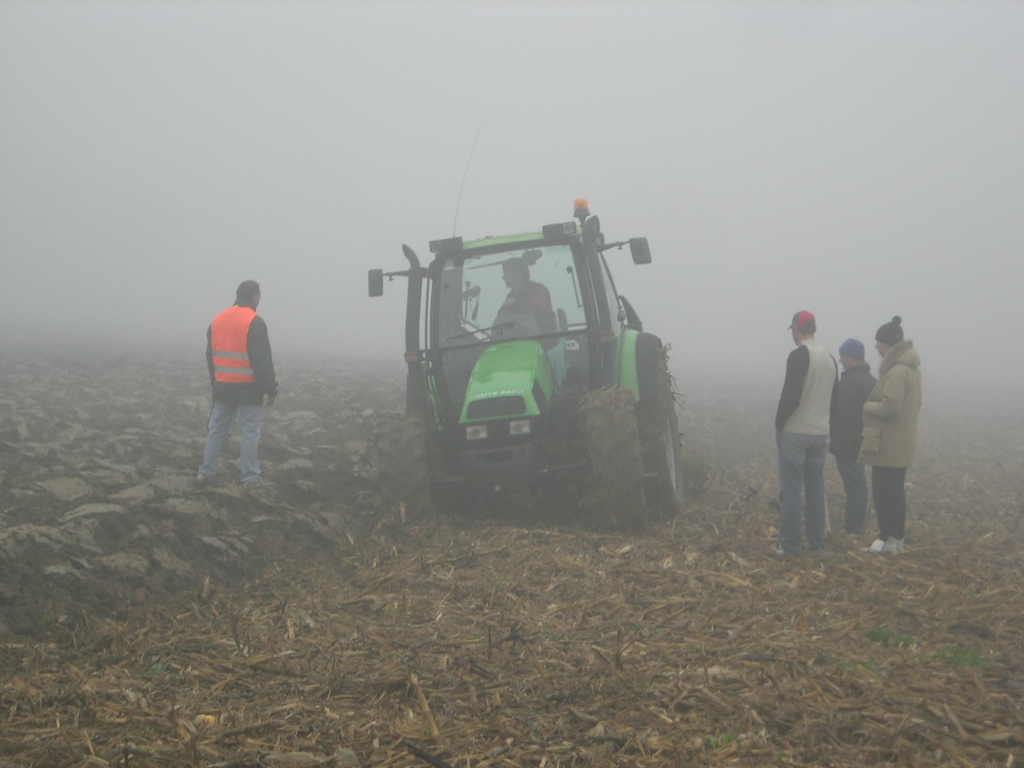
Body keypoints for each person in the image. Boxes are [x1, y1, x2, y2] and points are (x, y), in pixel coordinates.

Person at [196, 280, 278, 486]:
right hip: (249, 389)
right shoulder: (254, 322)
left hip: (223, 387)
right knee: (250, 433)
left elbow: (210, 355)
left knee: (217, 430)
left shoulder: (218, 319)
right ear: (255, 297)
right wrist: (271, 390)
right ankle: (250, 478)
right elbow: (262, 360)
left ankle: (206, 472)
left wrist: (215, 381)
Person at [774, 311, 839, 555]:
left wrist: (780, 424)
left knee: (792, 490)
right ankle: (817, 545)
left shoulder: (798, 355)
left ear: (796, 329)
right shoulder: (830, 358)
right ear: (814, 328)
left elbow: (791, 394)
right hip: (821, 433)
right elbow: (835, 398)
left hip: (795, 431)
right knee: (815, 489)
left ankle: (790, 545)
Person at [859, 316, 922, 553]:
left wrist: (866, 406)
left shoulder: (896, 372)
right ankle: (893, 538)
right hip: (900, 440)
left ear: (888, 344)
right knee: (894, 491)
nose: (876, 346)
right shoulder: (912, 370)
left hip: (888, 442)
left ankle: (889, 537)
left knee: (884, 492)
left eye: (879, 342)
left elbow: (890, 409)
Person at [829, 338, 876, 535]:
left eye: (842, 355)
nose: (840, 359)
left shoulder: (849, 382)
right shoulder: (871, 381)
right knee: (857, 484)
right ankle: (855, 527)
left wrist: (831, 432)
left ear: (850, 357)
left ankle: (853, 529)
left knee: (855, 487)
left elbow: (840, 413)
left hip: (848, 442)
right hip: (863, 439)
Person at [496, 258, 555, 333]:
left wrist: (515, 303)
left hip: (543, 337)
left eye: (506, 274)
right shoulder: (510, 295)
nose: (503, 278)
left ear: (518, 273)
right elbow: (506, 319)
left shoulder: (538, 289)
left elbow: (535, 308)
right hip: (520, 336)